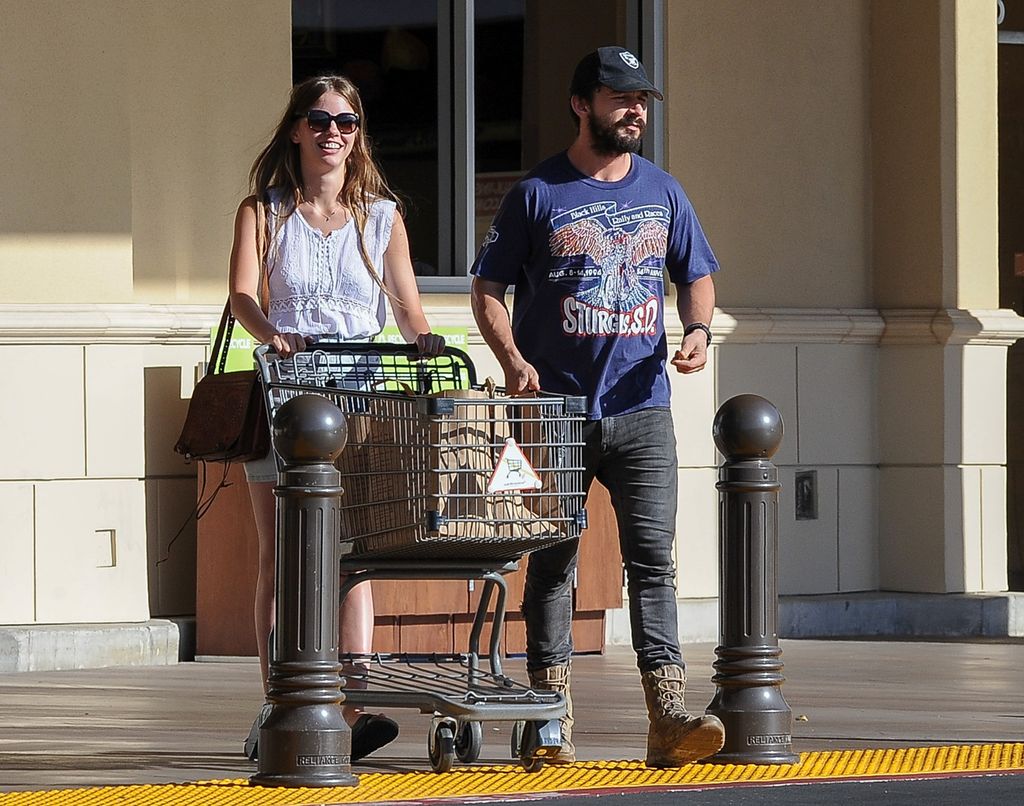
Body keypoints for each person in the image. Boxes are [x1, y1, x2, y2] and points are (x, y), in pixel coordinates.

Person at [470, 46, 725, 768]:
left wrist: (698, 331)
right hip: (552, 410)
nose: (635, 110)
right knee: (552, 561)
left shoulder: (665, 191)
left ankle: (667, 715)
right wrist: (513, 361)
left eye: (642, 99)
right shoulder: (538, 194)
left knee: (653, 561)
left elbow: (696, 275)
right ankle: (550, 722)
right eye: (619, 97)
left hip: (642, 405)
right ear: (582, 105)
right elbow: (486, 289)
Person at [228, 74, 445, 762]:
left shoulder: (381, 217)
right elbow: (240, 295)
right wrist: (272, 333)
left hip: (358, 396)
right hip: (288, 396)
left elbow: (409, 308)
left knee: (354, 554)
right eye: (319, 121)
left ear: (359, 135)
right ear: (296, 129)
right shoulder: (263, 214)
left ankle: (352, 705)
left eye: (346, 122)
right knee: (281, 554)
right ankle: (278, 705)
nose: (333, 134)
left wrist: (424, 339)